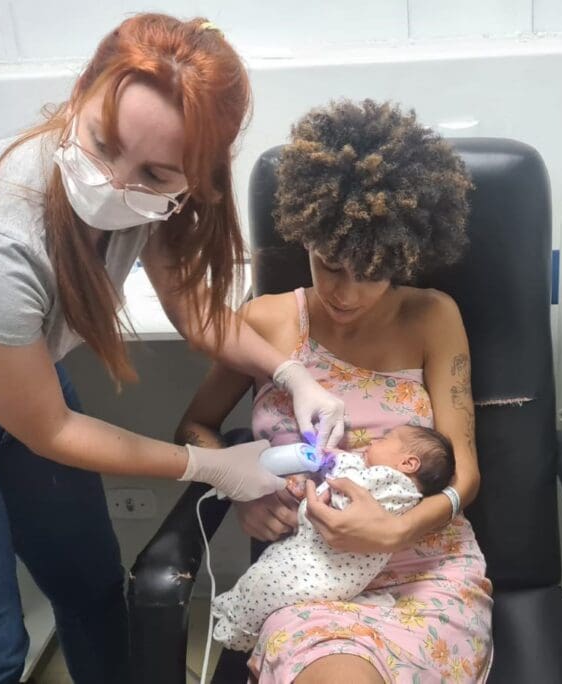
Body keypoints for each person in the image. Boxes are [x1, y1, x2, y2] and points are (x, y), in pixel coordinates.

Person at [0, 14, 346, 684]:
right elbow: (50, 429)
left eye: (155, 174)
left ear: (193, 179)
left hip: (15, 372)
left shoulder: (153, 208)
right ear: (83, 89)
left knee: (92, 584)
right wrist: (212, 467)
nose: (114, 183)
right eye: (103, 144)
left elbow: (195, 313)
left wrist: (292, 373)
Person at [177, 99, 493, 683]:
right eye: (329, 265)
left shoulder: (433, 318)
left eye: (370, 273)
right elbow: (195, 426)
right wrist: (240, 489)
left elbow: (465, 474)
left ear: (404, 256)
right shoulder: (266, 322)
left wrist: (397, 529)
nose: (345, 293)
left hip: (426, 567)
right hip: (309, 578)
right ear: (307, 237)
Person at [211, 425, 456, 652]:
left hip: (325, 569)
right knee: (266, 573)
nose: (372, 442)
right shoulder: (394, 490)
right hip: (319, 559)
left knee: (267, 585)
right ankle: (235, 614)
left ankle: (238, 631)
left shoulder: (394, 482)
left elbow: (346, 497)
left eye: (384, 439)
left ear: (408, 463)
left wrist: (343, 459)